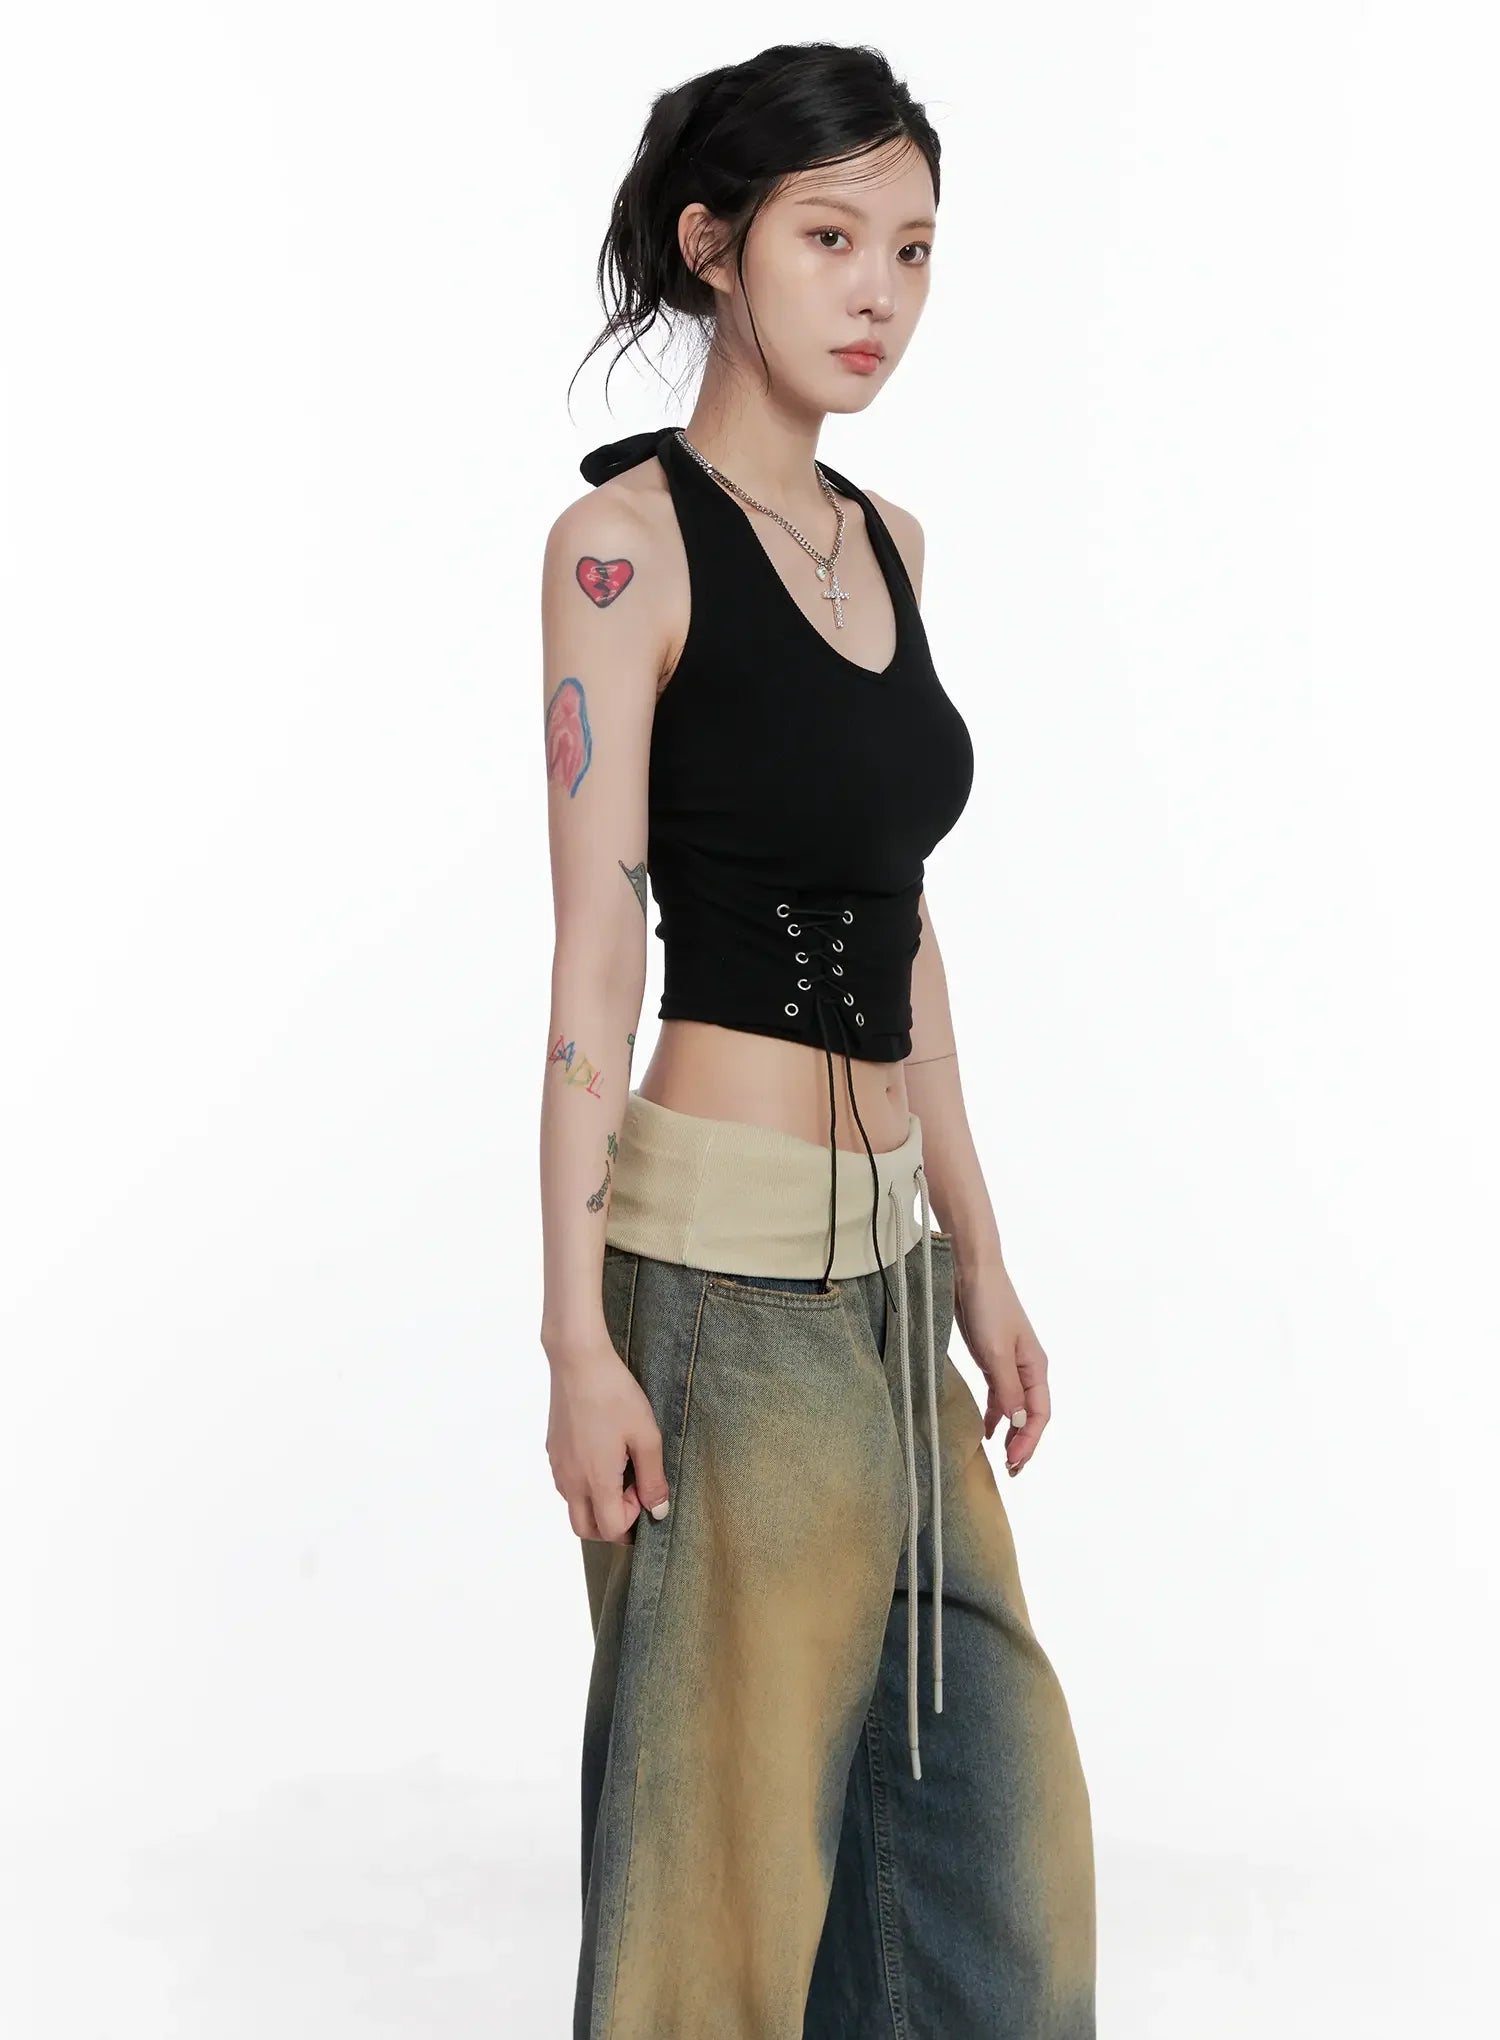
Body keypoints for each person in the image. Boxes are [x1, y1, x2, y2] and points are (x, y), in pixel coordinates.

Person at [539, 41, 1097, 2040]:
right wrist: (576, 1339)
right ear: (717, 248)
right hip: (716, 1283)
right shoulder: (623, 550)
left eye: (916, 251)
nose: (881, 293)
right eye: (833, 238)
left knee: (989, 1869)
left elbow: (902, 920)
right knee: (721, 1899)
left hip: (889, 1288)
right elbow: (594, 951)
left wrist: (983, 1255)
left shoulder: (892, 544)